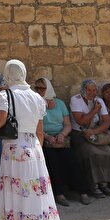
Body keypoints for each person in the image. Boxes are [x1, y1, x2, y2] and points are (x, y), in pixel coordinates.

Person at [0, 60, 61, 220]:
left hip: (15, 149)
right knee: (33, 197)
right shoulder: (36, 97)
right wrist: (35, 151)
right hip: (34, 149)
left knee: (23, 199)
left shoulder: (5, 95)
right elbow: (39, 130)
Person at [69, 79, 110, 197]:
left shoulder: (99, 100)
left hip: (96, 133)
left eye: (94, 90)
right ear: (83, 90)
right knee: (92, 153)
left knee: (108, 152)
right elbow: (81, 121)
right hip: (80, 134)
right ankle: (94, 185)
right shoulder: (76, 100)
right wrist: (95, 110)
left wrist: (94, 131)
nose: (92, 93)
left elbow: (107, 122)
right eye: (89, 90)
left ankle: (106, 184)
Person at [34, 77, 81, 207]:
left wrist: (62, 135)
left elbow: (67, 124)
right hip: (45, 138)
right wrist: (48, 137)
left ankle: (82, 191)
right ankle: (59, 193)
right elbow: (35, 126)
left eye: (42, 88)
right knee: (52, 162)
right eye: (36, 88)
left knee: (72, 159)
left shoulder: (59, 104)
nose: (39, 91)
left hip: (60, 137)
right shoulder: (36, 104)